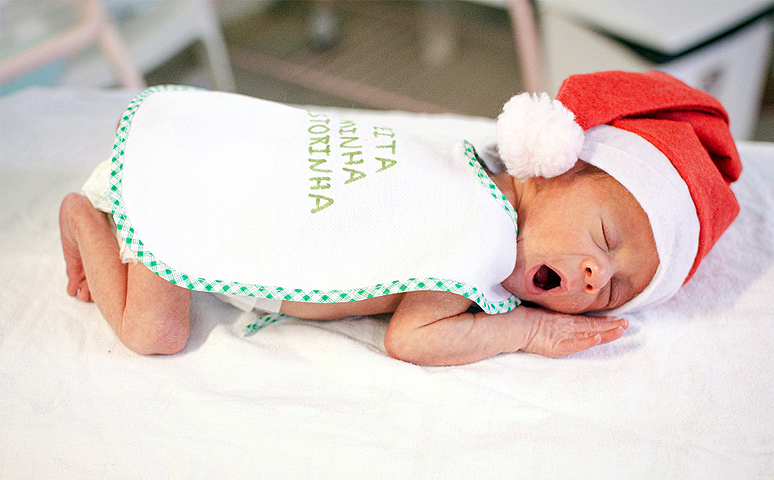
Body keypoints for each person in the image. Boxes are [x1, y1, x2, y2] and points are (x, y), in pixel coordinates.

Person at [59, 71, 741, 365]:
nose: (597, 277)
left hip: (210, 161)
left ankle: (121, 208)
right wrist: (525, 331)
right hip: (193, 198)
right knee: (154, 331)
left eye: (616, 288)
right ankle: (91, 222)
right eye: (606, 238)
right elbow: (413, 338)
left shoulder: (465, 164)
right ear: (552, 164)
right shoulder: (479, 234)